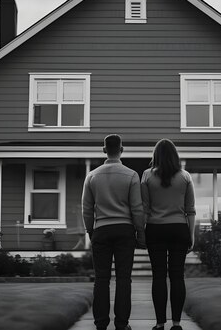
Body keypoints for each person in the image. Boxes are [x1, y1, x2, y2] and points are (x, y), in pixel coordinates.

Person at [82, 134, 145, 330]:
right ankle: (121, 324)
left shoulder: (92, 175)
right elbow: (137, 208)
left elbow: (86, 208)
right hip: (125, 231)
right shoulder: (132, 175)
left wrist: (91, 231)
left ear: (104, 150)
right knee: (124, 278)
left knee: (101, 278)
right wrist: (140, 234)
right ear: (122, 149)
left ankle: (101, 324)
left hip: (101, 229)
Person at [141, 138, 196, 330]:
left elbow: (145, 209)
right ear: (175, 156)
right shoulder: (185, 176)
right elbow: (190, 210)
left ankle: (159, 323)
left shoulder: (147, 176)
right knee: (177, 276)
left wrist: (141, 232)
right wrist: (191, 236)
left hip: (155, 230)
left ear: (156, 155)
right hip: (179, 229)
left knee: (158, 276)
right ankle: (177, 323)